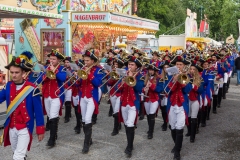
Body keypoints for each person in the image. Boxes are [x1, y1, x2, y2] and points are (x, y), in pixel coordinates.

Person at [0, 54, 45, 160]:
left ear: (24, 73)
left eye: (16, 72)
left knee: (17, 157)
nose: (14, 75)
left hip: (24, 128)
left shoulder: (32, 89)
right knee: (17, 153)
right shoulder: (8, 86)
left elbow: (38, 112)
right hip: (11, 127)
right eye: (12, 72)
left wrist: (40, 129)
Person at [166, 55, 192, 160]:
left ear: (184, 66)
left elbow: (188, 90)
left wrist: (181, 81)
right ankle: (176, 145)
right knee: (173, 127)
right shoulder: (169, 76)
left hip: (181, 106)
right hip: (172, 105)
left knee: (179, 128)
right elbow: (167, 90)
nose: (178, 66)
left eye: (180, 64)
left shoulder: (186, 76)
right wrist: (173, 80)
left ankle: (177, 151)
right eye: (177, 64)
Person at [118, 55, 144, 157]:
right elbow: (119, 89)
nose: (130, 66)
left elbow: (139, 89)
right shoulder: (124, 75)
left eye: (132, 64)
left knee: (130, 124)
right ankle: (130, 143)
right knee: (126, 124)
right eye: (129, 64)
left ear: (136, 67)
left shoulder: (140, 76)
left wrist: (133, 78)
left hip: (133, 103)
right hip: (124, 102)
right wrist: (122, 82)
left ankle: (129, 147)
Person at [78, 50, 103, 154]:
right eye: (84, 60)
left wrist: (90, 75)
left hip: (92, 97)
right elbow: (78, 84)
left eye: (87, 60)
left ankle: (86, 144)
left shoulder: (98, 70)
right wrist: (76, 77)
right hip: (82, 96)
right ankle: (89, 139)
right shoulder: (82, 68)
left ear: (93, 60)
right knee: (83, 119)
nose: (85, 62)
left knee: (88, 118)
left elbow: (98, 83)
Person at [42, 49, 67, 148]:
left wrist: (54, 71)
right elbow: (42, 80)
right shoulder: (46, 67)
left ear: (58, 60)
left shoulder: (62, 68)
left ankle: (51, 140)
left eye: (54, 59)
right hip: (46, 95)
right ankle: (54, 134)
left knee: (53, 116)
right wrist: (46, 73)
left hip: (56, 95)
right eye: (50, 58)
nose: (51, 60)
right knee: (49, 115)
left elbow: (62, 78)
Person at [143, 63, 163, 139]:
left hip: (154, 98)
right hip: (147, 98)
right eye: (149, 70)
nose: (150, 71)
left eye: (152, 70)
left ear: (155, 71)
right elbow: (141, 88)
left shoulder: (159, 78)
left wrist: (151, 85)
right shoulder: (145, 77)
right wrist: (144, 89)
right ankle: (150, 128)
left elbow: (159, 89)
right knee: (148, 115)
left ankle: (151, 132)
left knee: (152, 115)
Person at [185, 61, 204, 143]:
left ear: (196, 71)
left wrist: (194, 86)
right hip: (187, 99)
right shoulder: (185, 77)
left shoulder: (200, 79)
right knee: (188, 116)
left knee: (193, 117)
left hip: (195, 99)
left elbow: (201, 90)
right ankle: (189, 131)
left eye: (193, 69)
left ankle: (193, 136)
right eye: (191, 69)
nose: (192, 70)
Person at [108, 58, 124, 136]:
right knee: (115, 111)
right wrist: (112, 78)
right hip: (112, 93)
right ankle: (119, 124)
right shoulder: (113, 72)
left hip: (120, 94)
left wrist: (120, 76)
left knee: (116, 111)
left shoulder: (124, 73)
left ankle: (115, 129)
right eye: (114, 65)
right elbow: (109, 83)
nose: (115, 66)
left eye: (117, 65)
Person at [63, 57, 73, 123]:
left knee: (68, 101)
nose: (66, 64)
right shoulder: (63, 69)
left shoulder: (73, 70)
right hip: (63, 86)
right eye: (65, 62)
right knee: (64, 101)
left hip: (70, 87)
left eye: (67, 62)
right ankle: (68, 113)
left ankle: (67, 116)